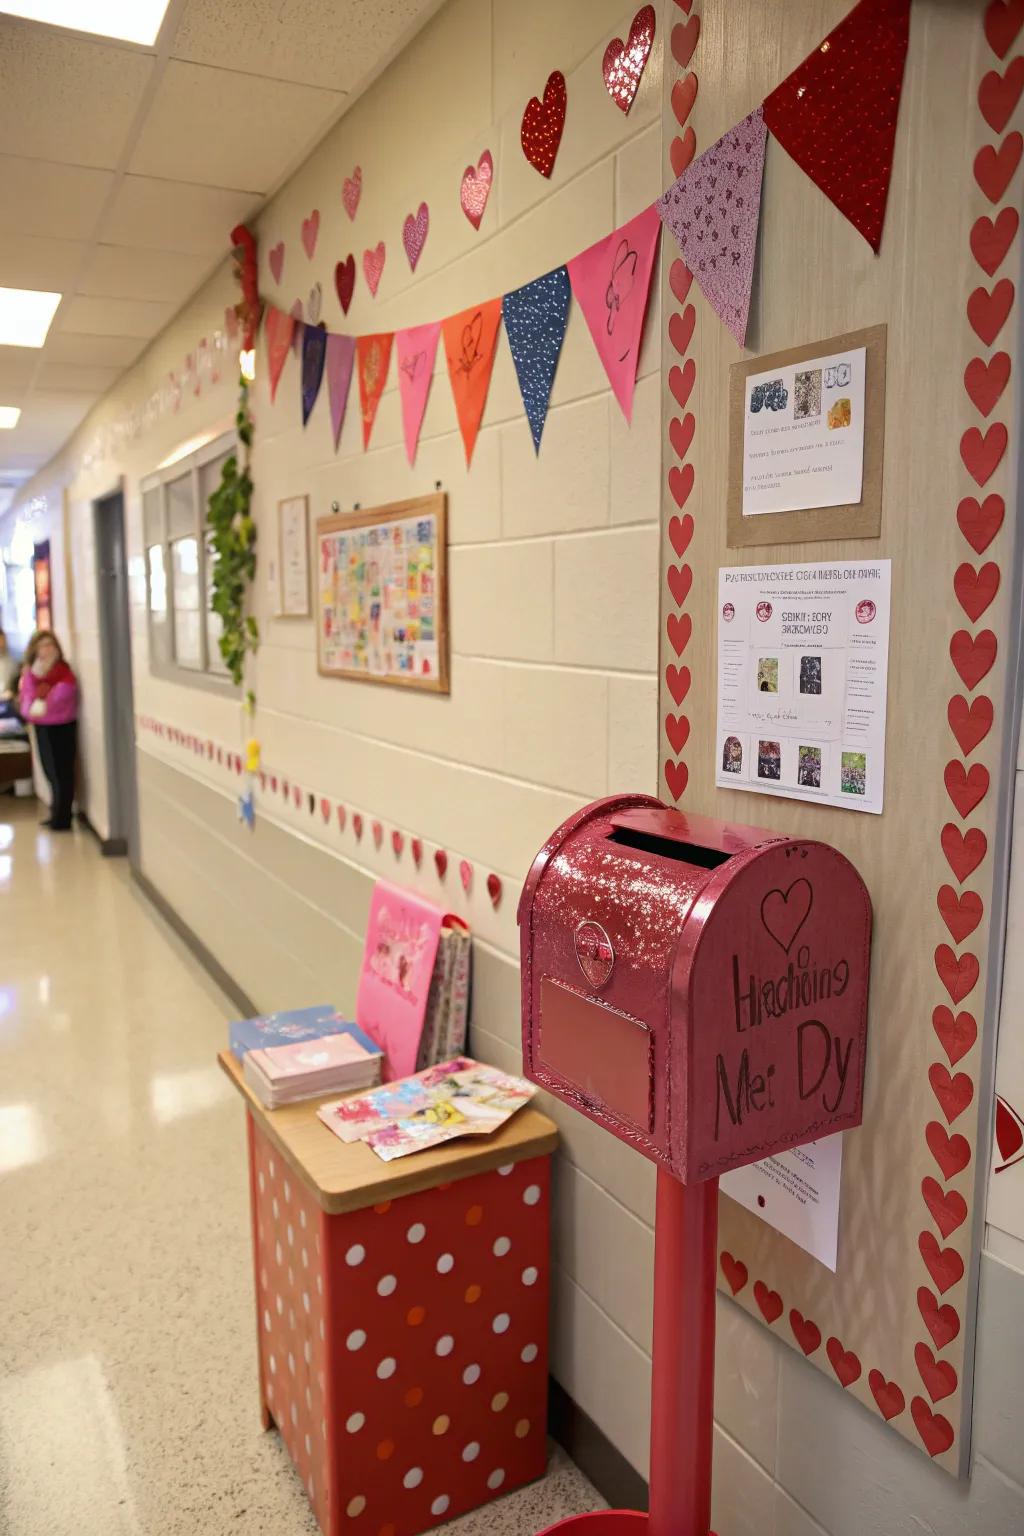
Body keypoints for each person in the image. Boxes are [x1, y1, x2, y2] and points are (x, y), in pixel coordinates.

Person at [19, 630, 78, 831]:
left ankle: (62, 818)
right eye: (43, 645)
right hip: (42, 726)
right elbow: (27, 698)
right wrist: (33, 710)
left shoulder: (63, 672)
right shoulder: (32, 673)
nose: (47, 649)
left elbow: (60, 699)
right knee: (49, 770)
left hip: (61, 726)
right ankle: (56, 812)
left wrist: (40, 706)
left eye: (51, 644)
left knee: (62, 772)